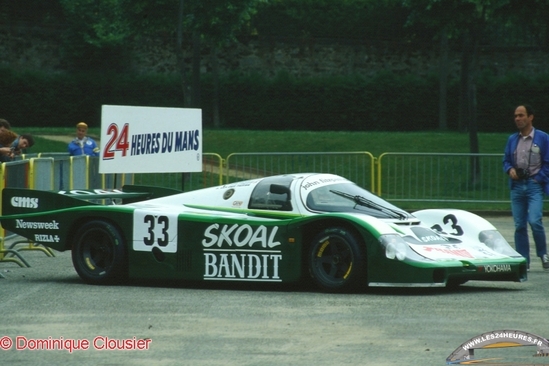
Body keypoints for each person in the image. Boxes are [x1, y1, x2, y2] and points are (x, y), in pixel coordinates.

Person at [503, 104, 549, 270]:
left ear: (531, 117)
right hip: (517, 186)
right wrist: (510, 170)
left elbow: (547, 162)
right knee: (519, 225)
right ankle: (524, 260)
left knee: (535, 220)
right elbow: (506, 160)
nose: (517, 119)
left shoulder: (543, 138)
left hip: (533, 185)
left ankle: (543, 254)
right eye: (516, 116)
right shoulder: (512, 139)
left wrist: (539, 178)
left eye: (521, 115)